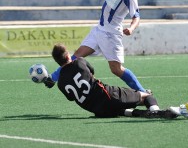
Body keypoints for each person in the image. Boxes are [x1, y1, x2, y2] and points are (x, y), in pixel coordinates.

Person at [50, 0, 148, 93]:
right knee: (78, 55)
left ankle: (143, 92)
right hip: (99, 30)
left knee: (116, 70)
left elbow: (136, 17)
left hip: (111, 35)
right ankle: (53, 77)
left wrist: (131, 28)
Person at [44, 43, 177, 119]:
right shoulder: (79, 62)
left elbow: (71, 98)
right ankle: (156, 112)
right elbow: (91, 72)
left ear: (57, 61)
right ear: (68, 55)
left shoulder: (61, 83)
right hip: (107, 95)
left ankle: (141, 114)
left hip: (97, 110)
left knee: (120, 110)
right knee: (147, 96)